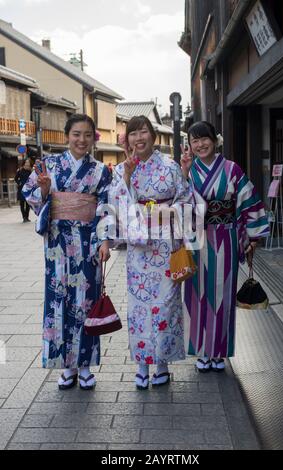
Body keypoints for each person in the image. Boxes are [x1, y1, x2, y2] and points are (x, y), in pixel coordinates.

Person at [22, 114, 111, 390]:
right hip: (58, 243)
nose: (81, 140)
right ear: (66, 136)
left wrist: (104, 240)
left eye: (87, 134)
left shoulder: (100, 171)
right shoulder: (48, 165)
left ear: (93, 137)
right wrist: (45, 191)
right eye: (76, 134)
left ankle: (84, 365)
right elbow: (29, 193)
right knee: (58, 301)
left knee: (86, 301)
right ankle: (66, 366)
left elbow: (106, 206)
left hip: (87, 244)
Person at [109, 116, 192, 389]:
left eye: (143, 131)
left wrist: (168, 218)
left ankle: (163, 364)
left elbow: (185, 198)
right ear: (128, 139)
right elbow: (115, 202)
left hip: (166, 245)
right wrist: (129, 178)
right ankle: (142, 364)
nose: (138, 138)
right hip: (139, 252)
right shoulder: (122, 169)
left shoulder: (169, 167)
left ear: (153, 136)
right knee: (139, 307)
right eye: (133, 133)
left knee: (167, 305)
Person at [181, 121, 269, 372]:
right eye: (194, 140)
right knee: (197, 294)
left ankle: (218, 351)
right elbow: (180, 203)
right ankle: (201, 351)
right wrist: (185, 176)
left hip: (225, 236)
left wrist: (253, 236)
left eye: (204, 138)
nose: (200, 144)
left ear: (214, 140)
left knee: (221, 293)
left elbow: (248, 200)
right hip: (197, 238)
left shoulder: (231, 169)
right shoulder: (189, 169)